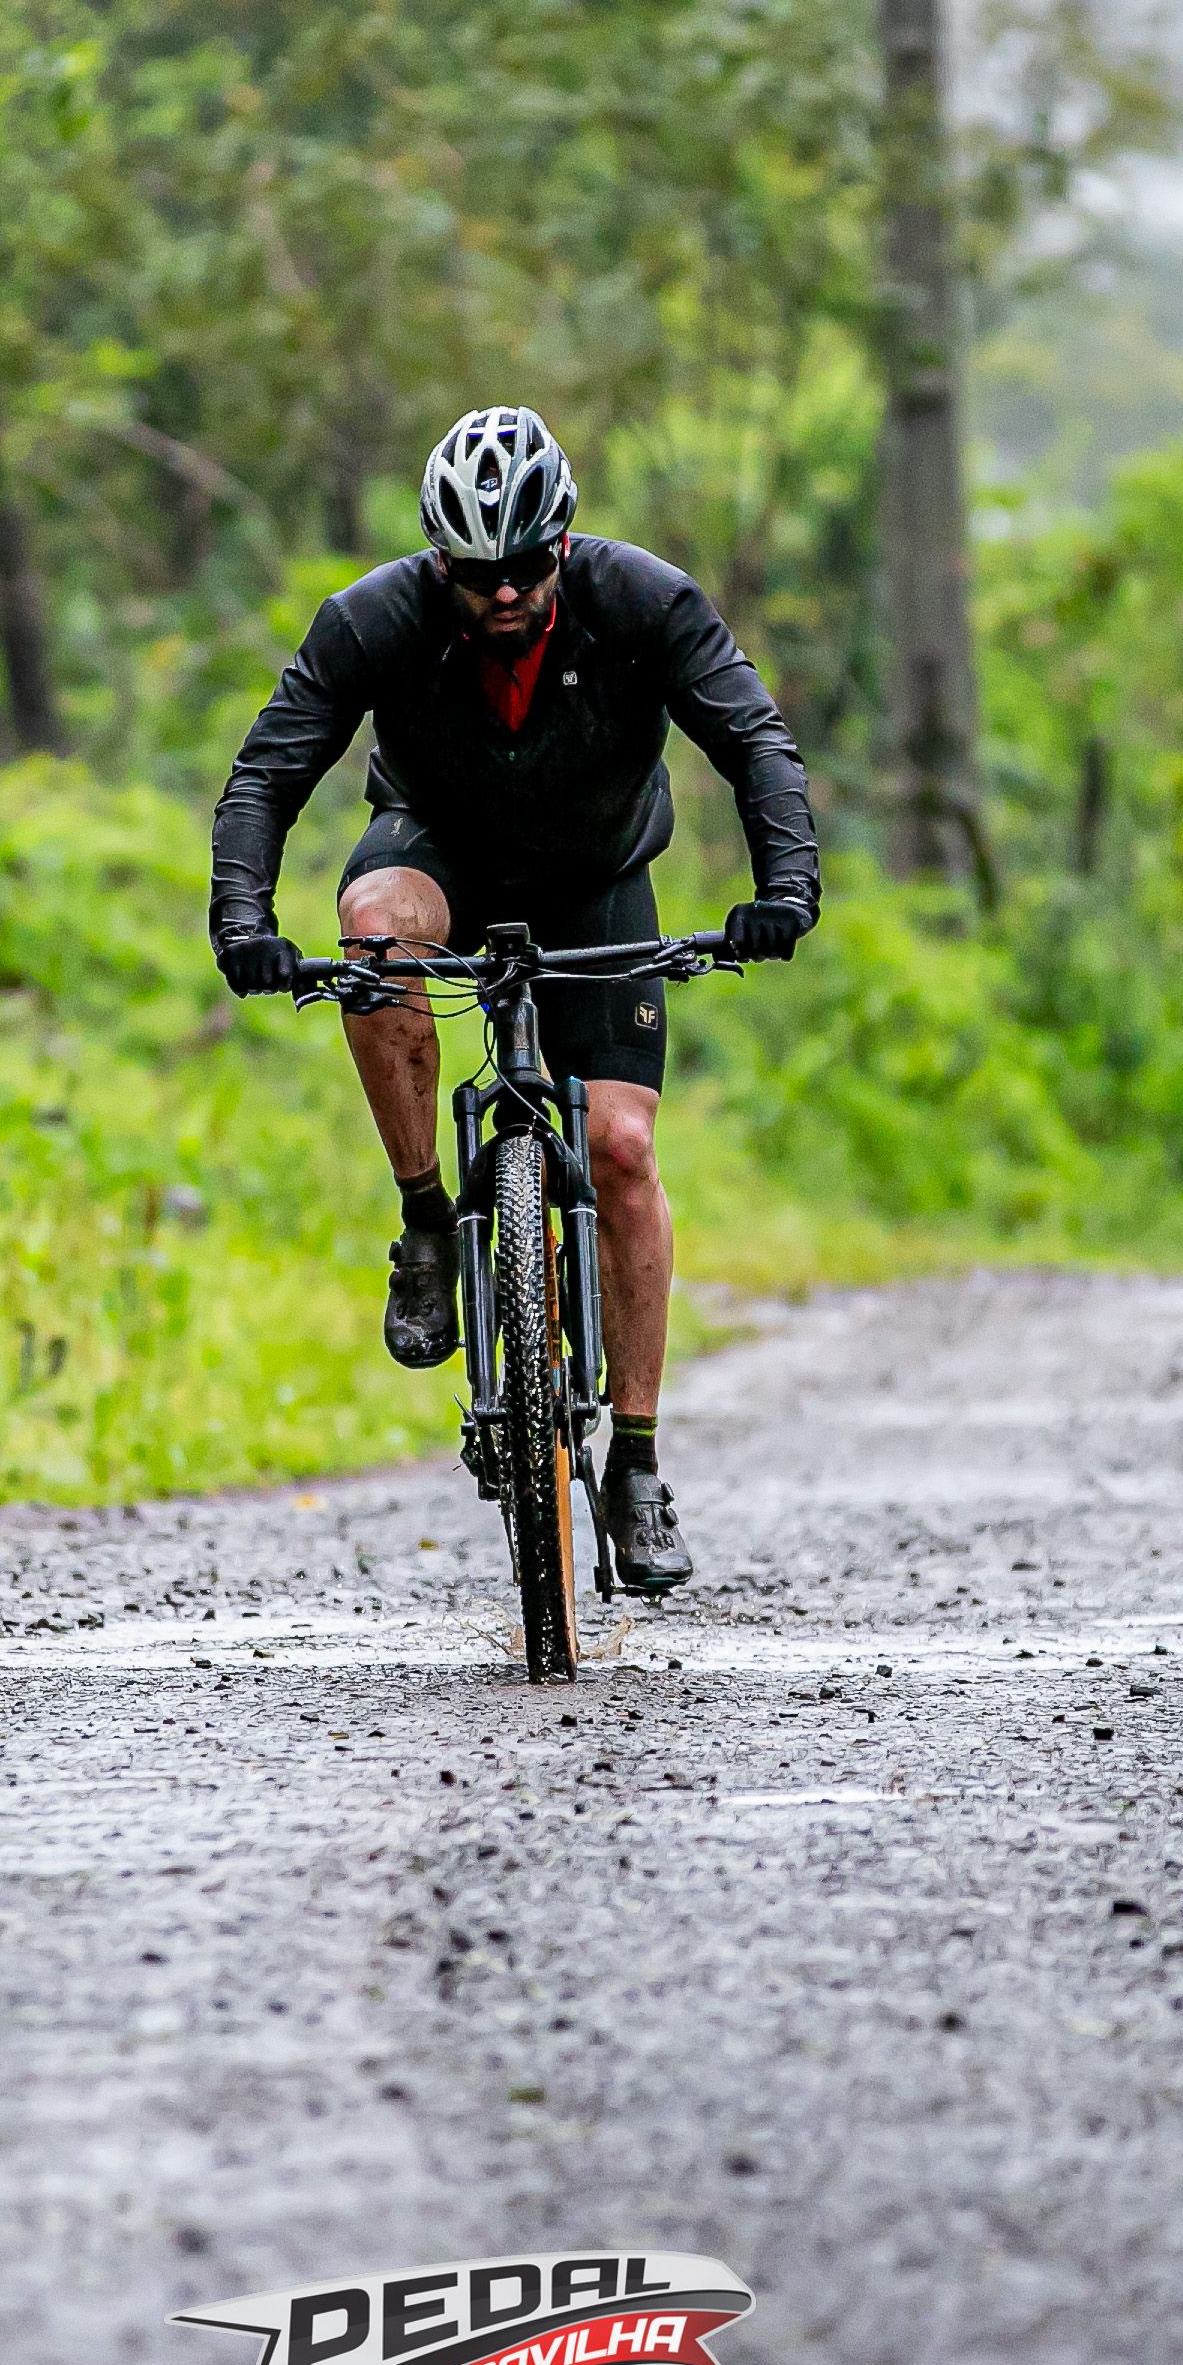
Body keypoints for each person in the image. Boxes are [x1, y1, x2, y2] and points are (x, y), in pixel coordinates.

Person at [206, 405, 820, 1594]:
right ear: (438, 558)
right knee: (373, 934)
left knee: (622, 1149)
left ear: (565, 544)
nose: (504, 592)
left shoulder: (645, 603)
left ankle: (636, 1462)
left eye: (528, 567)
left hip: (597, 882)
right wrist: (243, 920)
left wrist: (784, 888)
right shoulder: (373, 620)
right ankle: (428, 1221)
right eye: (476, 571)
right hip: (436, 854)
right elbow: (266, 775)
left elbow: (756, 742)